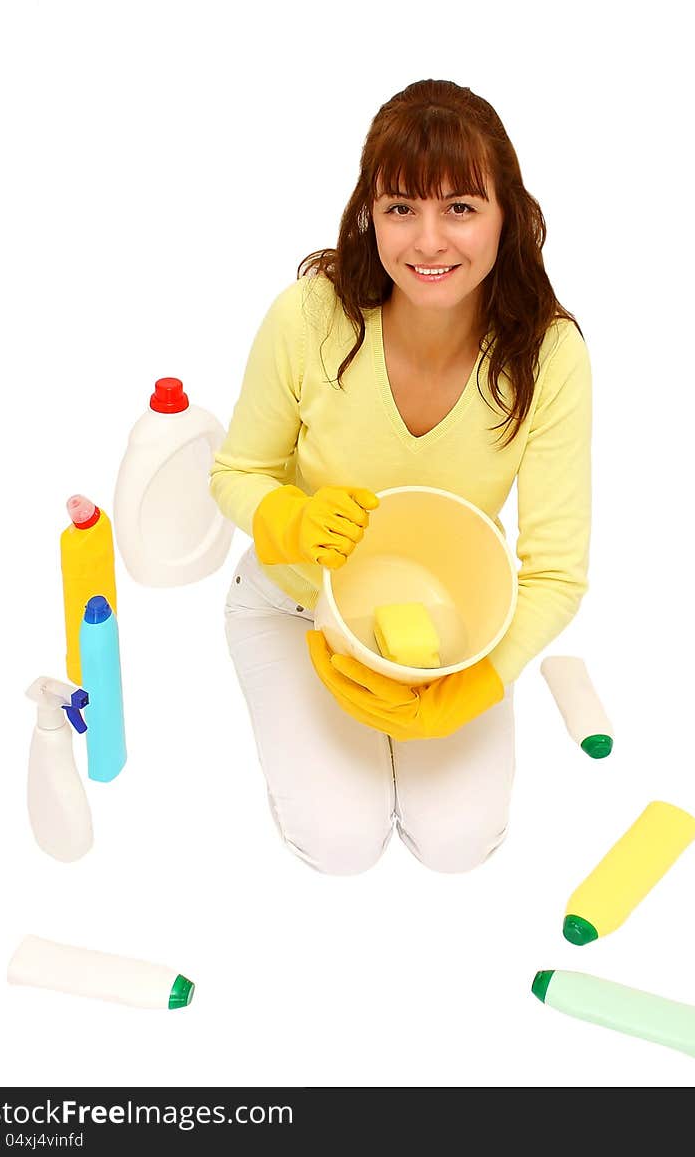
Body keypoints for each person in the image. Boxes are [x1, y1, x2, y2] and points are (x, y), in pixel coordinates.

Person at [210, 78, 591, 876]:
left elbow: (554, 572)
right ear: (368, 215)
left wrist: (479, 679)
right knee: (341, 842)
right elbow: (238, 471)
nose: (428, 241)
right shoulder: (310, 317)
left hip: (448, 627)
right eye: (399, 208)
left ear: (507, 216)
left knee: (458, 842)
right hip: (298, 604)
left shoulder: (549, 358)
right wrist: (288, 520)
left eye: (460, 207)